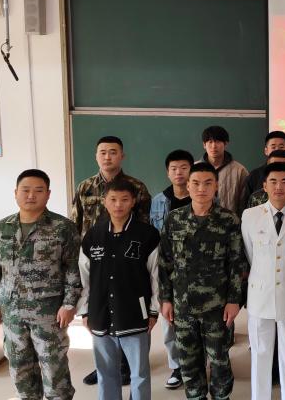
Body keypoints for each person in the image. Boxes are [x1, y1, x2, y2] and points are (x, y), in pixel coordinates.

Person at [0, 169, 81, 400]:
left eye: (38, 190)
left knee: (54, 371)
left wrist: (69, 304)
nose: (31, 195)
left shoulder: (63, 227)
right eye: (25, 190)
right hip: (12, 314)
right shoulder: (1, 228)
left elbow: (73, 269)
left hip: (49, 314)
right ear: (15, 193)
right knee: (20, 371)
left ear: (48, 194)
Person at [158, 162, 246, 400]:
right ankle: (196, 396)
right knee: (188, 359)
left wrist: (234, 300)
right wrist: (166, 299)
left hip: (217, 306)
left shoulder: (228, 220)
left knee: (219, 359)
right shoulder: (175, 219)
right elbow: (165, 263)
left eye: (208, 183)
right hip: (183, 304)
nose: (201, 189)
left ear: (216, 186)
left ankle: (221, 397)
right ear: (187, 186)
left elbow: (237, 263)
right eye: (195, 183)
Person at [71, 135, 150, 386]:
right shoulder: (84, 187)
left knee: (127, 314)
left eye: (113, 152)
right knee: (101, 314)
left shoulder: (137, 187)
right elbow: (76, 223)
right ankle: (104, 367)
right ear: (96, 156)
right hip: (95, 257)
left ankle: (127, 367)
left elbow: (144, 227)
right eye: (103, 152)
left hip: (127, 260)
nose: (108, 157)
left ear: (122, 156)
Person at [78, 179, 161, 400]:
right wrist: (85, 311)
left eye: (124, 199)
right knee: (106, 372)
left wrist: (153, 310)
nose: (118, 205)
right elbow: (84, 277)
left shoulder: (148, 235)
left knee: (139, 373)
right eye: (113, 199)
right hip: (100, 313)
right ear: (104, 201)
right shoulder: (93, 235)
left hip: (135, 313)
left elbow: (156, 276)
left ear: (133, 201)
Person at [241, 163, 285, 400]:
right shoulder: (250, 216)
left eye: (284, 181)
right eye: (273, 181)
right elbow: (251, 254)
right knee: (260, 354)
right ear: (264, 186)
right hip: (260, 294)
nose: (278, 187)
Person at [149, 149, 193, 389]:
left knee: (196, 321)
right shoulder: (158, 201)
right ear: (168, 173)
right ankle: (176, 366)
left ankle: (195, 365)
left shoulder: (202, 197)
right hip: (166, 269)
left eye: (184, 168)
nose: (179, 173)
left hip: (196, 271)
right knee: (169, 320)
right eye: (174, 169)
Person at [241, 131, 285, 213]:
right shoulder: (254, 177)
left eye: (281, 147)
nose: (277, 149)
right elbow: (246, 207)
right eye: (273, 147)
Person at [200, 125, 250, 215]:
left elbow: (244, 203)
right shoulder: (195, 169)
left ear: (226, 143)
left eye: (218, 141)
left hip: (230, 221)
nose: (214, 146)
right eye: (210, 142)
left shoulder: (240, 170)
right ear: (204, 145)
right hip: (200, 220)